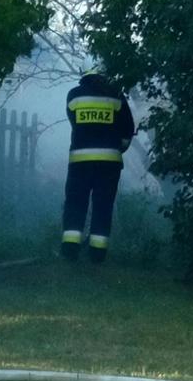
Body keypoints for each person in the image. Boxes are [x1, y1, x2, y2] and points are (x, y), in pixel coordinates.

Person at [58, 72, 136, 263]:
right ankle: (97, 254)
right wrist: (117, 147)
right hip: (109, 163)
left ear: (85, 74)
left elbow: (74, 121)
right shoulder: (116, 95)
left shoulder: (74, 95)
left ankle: (70, 250)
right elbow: (128, 129)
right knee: (103, 205)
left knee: (76, 203)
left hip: (80, 161)